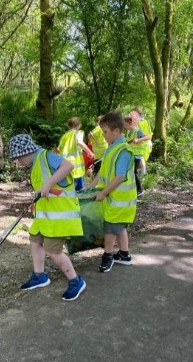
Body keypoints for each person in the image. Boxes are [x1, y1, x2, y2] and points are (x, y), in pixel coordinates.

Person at [8, 134, 86, 301]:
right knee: (35, 239)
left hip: (60, 218)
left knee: (52, 250)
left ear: (25, 153)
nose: (18, 162)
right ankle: (39, 276)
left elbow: (68, 166)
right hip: (46, 217)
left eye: (18, 158)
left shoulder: (47, 156)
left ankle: (75, 281)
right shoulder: (36, 163)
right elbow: (44, 190)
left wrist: (49, 183)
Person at [85, 111, 137, 273]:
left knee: (110, 229)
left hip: (119, 200)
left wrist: (103, 193)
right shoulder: (112, 148)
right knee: (119, 227)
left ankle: (108, 256)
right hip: (114, 199)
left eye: (105, 132)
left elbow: (119, 177)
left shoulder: (123, 151)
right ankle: (124, 255)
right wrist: (92, 185)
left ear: (116, 131)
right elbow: (103, 173)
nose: (103, 135)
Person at [58, 116, 94, 192]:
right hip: (77, 169)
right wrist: (90, 152)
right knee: (80, 191)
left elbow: (58, 151)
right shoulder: (78, 132)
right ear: (79, 125)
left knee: (70, 191)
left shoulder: (64, 136)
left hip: (66, 168)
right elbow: (80, 142)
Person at [124, 112, 151, 196]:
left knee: (134, 172)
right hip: (131, 155)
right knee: (130, 172)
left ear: (130, 123)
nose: (125, 126)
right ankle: (132, 188)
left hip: (137, 156)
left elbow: (148, 137)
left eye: (126, 125)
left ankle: (140, 190)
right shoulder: (129, 132)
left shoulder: (138, 131)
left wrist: (138, 140)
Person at [131, 107, 153, 174]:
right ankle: (142, 173)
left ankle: (143, 174)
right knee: (140, 160)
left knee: (141, 159)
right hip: (140, 144)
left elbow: (147, 135)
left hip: (143, 144)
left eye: (133, 114)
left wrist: (138, 140)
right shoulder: (139, 121)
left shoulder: (142, 122)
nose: (131, 115)